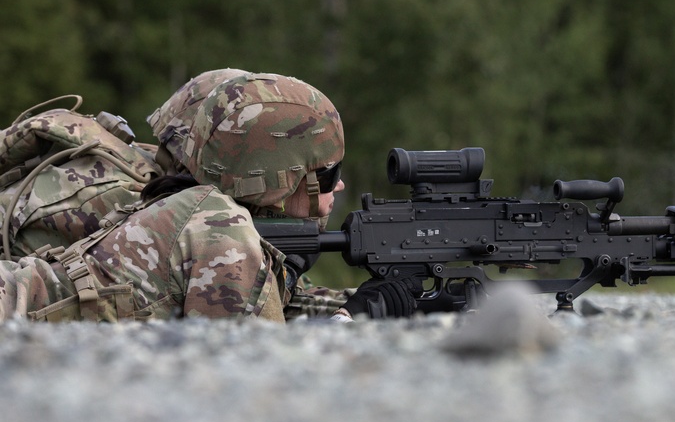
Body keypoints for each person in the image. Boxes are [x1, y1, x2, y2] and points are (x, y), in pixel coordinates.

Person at [0, 72, 416, 323]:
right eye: (328, 175)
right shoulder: (220, 231)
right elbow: (260, 378)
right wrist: (351, 321)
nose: (338, 187)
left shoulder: (191, 206)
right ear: (282, 181)